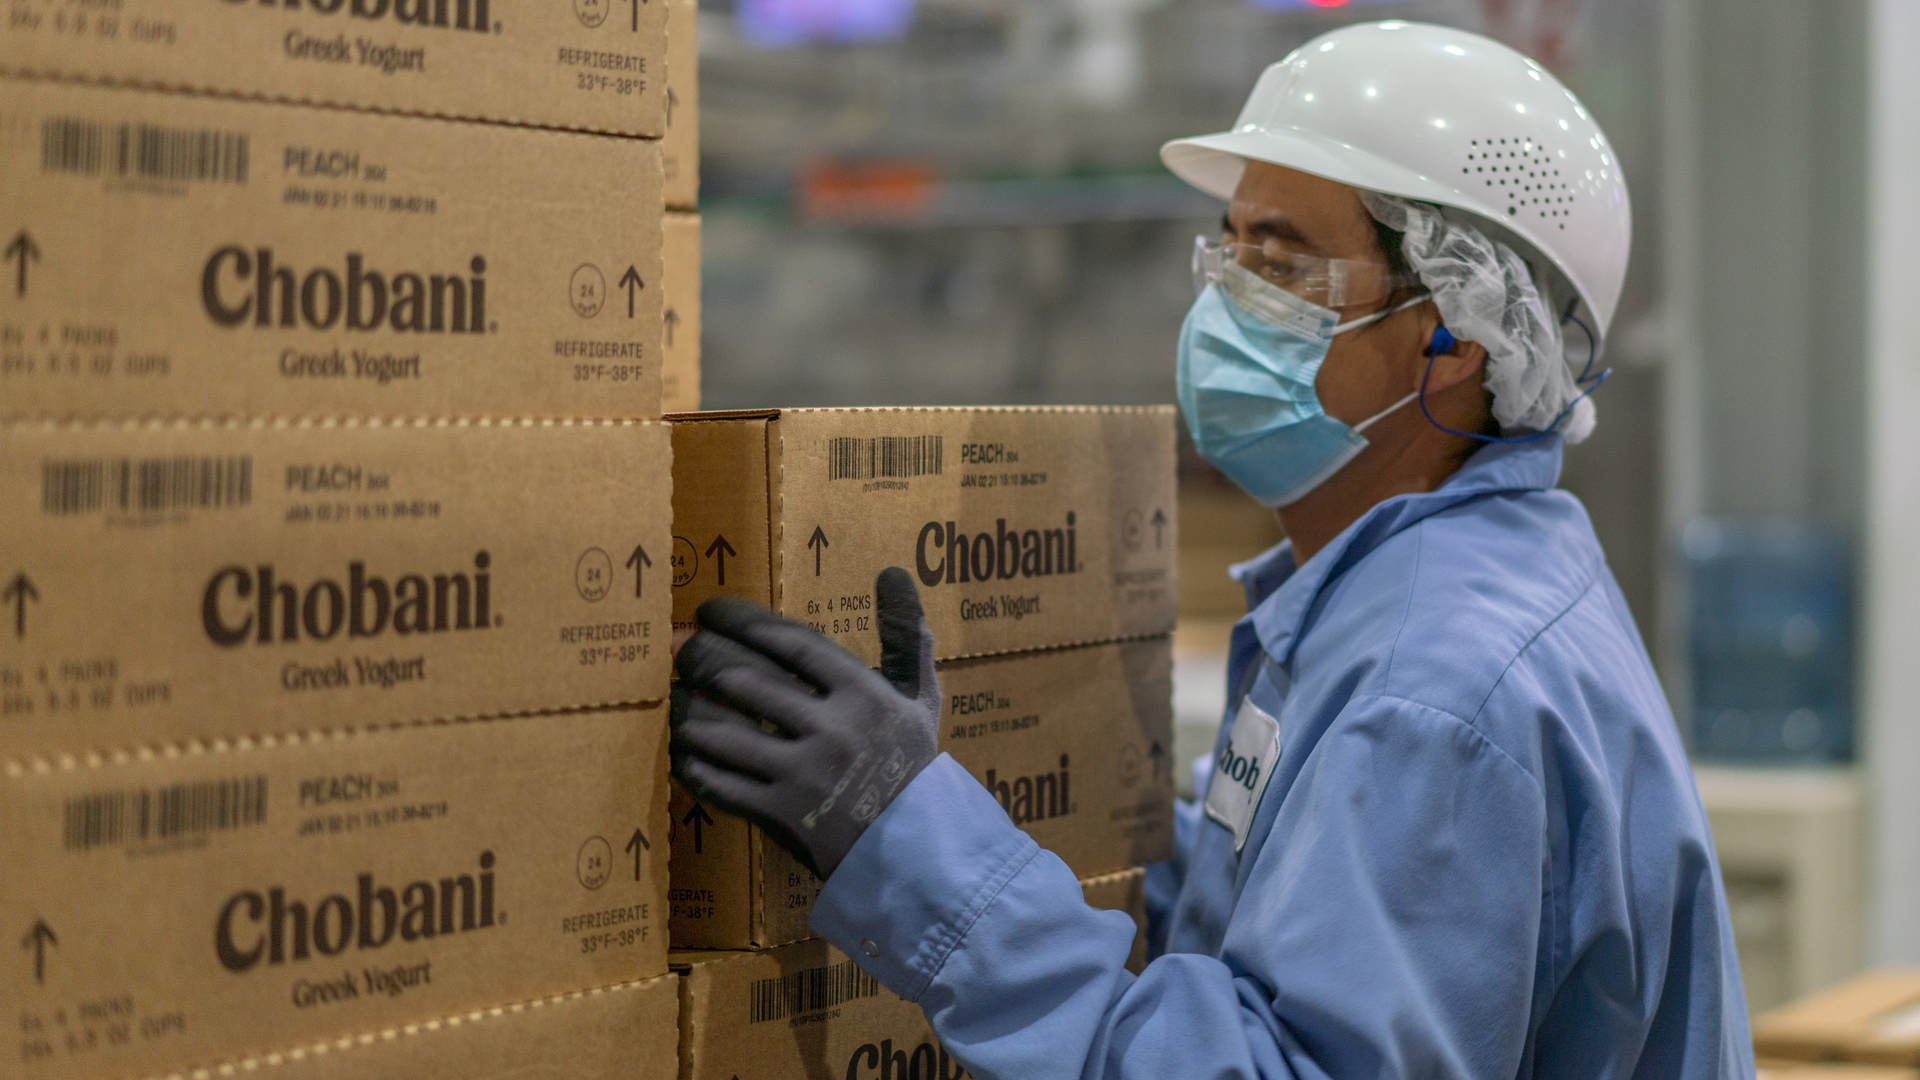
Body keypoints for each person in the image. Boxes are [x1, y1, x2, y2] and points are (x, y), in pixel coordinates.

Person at [671, 21, 1753, 1079]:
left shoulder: (1437, 690)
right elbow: (1277, 891)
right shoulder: (1423, 584)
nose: (1221, 308)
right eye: (1226, 251)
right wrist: (943, 788)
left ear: (1458, 337)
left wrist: (908, 839)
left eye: (1279, 266)